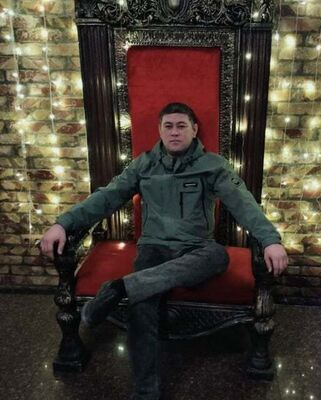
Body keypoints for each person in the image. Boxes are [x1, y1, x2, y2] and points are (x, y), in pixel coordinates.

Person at [41, 102, 288, 400]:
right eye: (168, 126)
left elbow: (243, 203)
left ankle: (120, 287)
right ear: (159, 130)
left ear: (194, 129)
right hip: (153, 249)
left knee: (219, 256)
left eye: (181, 126)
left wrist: (270, 240)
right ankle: (145, 392)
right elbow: (106, 198)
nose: (174, 132)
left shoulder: (213, 166)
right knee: (141, 305)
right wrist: (63, 224)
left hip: (196, 248)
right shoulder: (143, 165)